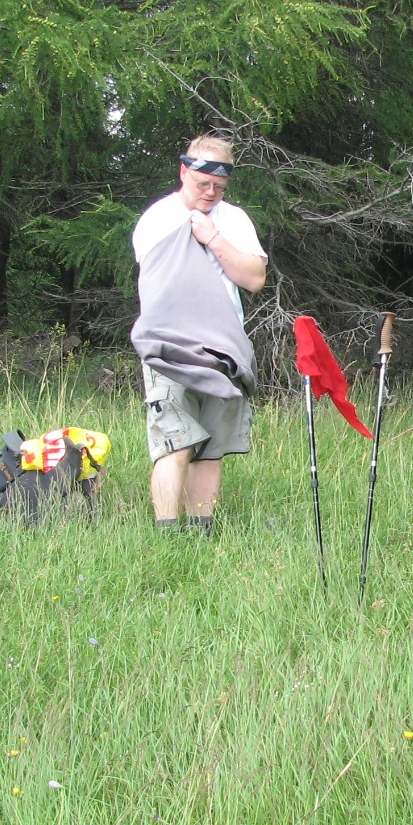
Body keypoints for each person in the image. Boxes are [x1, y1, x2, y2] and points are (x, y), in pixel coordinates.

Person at [130, 136, 267, 531]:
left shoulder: (233, 219)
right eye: (202, 183)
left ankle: (200, 532)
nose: (210, 193)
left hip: (224, 350)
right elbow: (160, 288)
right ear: (183, 172)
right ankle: (168, 534)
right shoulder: (158, 219)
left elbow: (254, 278)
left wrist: (212, 237)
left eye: (219, 187)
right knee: (174, 442)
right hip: (170, 348)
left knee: (211, 450)